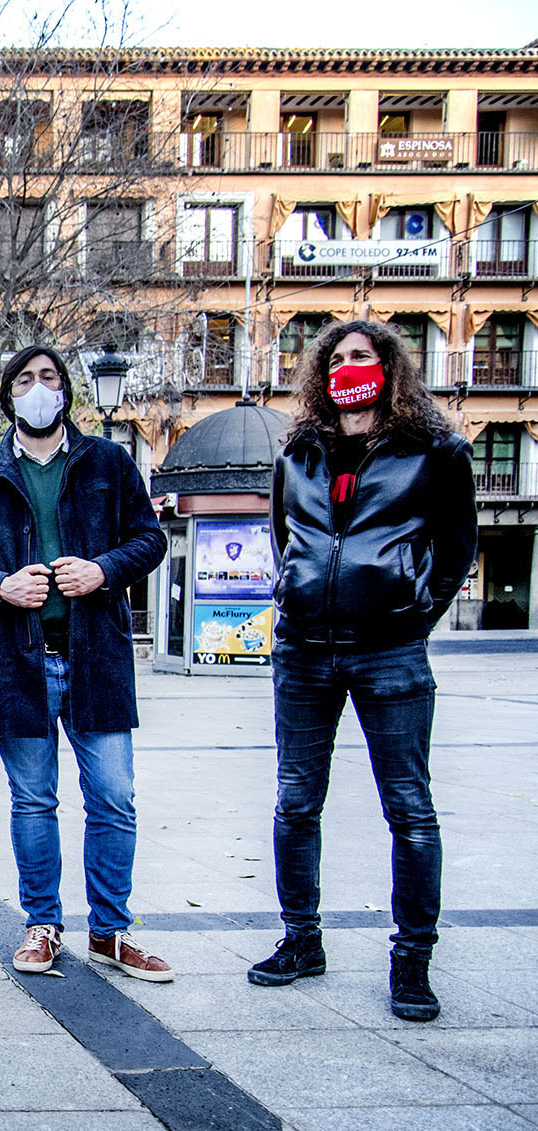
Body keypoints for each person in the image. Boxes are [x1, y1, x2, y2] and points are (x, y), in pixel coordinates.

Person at [250, 320, 476, 1022]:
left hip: (390, 650)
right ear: (322, 373)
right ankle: (301, 939)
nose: (349, 366)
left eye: (362, 356)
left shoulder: (435, 452)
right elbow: (287, 539)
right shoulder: (300, 454)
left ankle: (412, 959)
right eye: (337, 357)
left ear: (388, 367)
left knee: (409, 809)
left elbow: (457, 547)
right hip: (305, 649)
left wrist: (411, 615)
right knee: (295, 801)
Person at [0, 345, 172, 982]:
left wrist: (103, 570)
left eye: (50, 379)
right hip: (17, 661)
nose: (39, 389)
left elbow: (151, 539)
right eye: (26, 381)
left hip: (98, 658)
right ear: (8, 395)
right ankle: (42, 925)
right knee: (33, 801)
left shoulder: (109, 463)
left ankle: (112, 933)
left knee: (114, 798)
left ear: (67, 393)